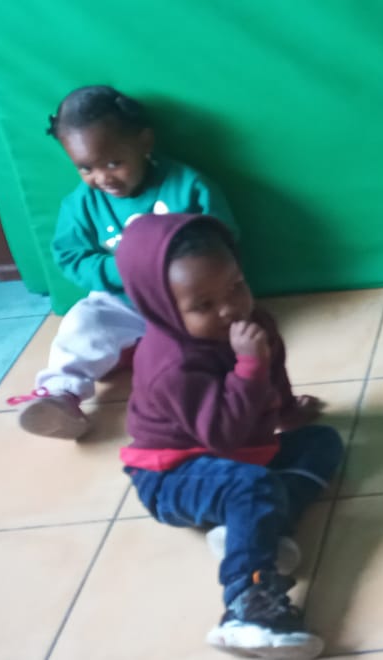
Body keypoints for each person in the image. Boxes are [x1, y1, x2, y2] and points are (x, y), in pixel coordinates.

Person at [116, 213, 341, 658]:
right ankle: (245, 604)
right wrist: (249, 366)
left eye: (236, 286)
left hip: (240, 451)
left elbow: (274, 377)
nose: (230, 309)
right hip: (173, 473)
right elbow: (222, 434)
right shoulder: (170, 364)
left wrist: (287, 409)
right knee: (249, 485)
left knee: (322, 442)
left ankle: (256, 530)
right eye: (203, 305)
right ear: (161, 305)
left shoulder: (253, 322)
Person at [8, 86, 237, 439]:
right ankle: (60, 397)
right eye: (86, 168)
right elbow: (70, 256)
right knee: (82, 322)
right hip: (121, 302)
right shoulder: (81, 204)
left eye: (114, 163)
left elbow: (224, 239)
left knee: (218, 342)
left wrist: (187, 270)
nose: (102, 178)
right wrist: (121, 270)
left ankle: (209, 401)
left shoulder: (187, 186)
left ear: (144, 142)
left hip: (187, 303)